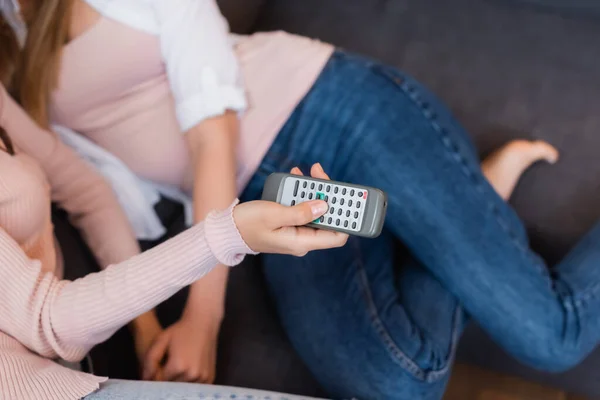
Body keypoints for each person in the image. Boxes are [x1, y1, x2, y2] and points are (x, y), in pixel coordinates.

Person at [5, 1, 594, 400]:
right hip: (275, 196)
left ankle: (462, 201)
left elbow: (214, 138)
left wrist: (202, 318)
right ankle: (473, 195)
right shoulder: (14, 42)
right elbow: (90, 194)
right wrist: (145, 329)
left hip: (331, 114)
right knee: (401, 383)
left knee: (552, 334)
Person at [0, 61, 348, 400]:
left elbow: (85, 188)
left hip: (58, 371)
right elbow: (51, 322)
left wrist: (145, 326)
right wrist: (229, 234)